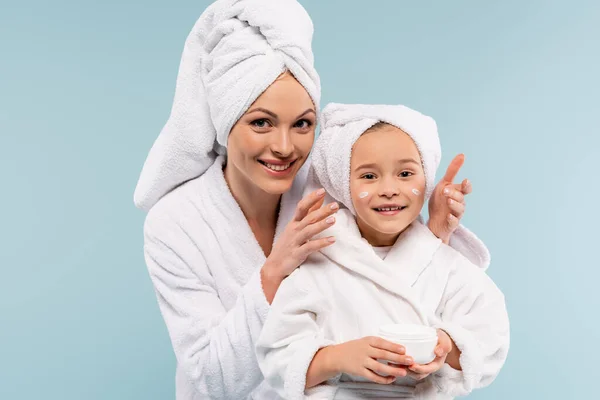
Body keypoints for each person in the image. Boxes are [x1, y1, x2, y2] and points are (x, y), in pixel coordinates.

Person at [134, 1, 490, 398]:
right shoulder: (175, 223)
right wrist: (272, 275)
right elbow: (208, 381)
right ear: (224, 119)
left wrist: (435, 230)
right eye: (261, 123)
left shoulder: (330, 187)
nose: (285, 147)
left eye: (302, 123)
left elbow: (395, 296)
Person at [256, 103, 509, 399]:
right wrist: (337, 357)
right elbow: (277, 358)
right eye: (369, 176)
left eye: (405, 173)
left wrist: (446, 346)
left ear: (425, 179)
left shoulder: (445, 264)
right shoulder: (318, 263)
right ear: (342, 183)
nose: (389, 188)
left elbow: (490, 338)